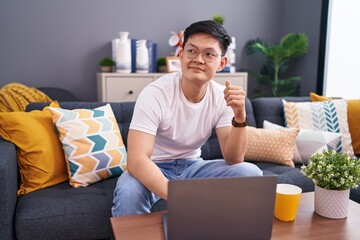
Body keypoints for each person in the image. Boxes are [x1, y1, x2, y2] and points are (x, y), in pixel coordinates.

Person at [112, 20, 262, 217]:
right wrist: (178, 196)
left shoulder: (223, 97)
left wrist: (240, 116)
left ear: (222, 63)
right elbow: (137, 159)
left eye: (209, 54)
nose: (198, 59)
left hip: (193, 167)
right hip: (154, 166)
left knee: (251, 174)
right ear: (181, 54)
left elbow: (234, 159)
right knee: (128, 191)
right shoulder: (155, 93)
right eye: (192, 51)